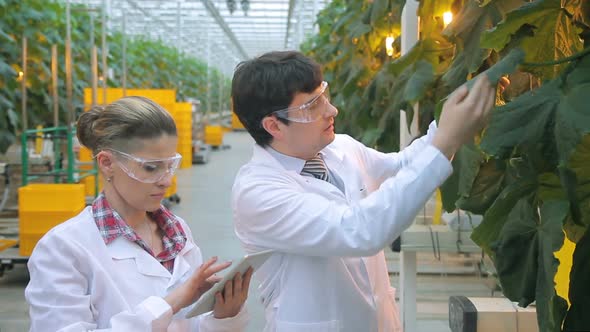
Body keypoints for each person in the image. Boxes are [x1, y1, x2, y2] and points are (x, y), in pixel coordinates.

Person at [230, 51, 502, 331]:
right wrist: (445, 142)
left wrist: (446, 125)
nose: (331, 110)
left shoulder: (340, 147)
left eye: (324, 95)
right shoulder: (257, 192)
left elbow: (402, 165)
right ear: (274, 125)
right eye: (312, 105)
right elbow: (358, 230)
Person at [25, 96, 252, 331]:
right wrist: (172, 302)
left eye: (169, 165)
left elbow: (188, 324)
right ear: (106, 163)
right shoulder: (64, 248)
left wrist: (224, 317)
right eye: (151, 167)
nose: (166, 181)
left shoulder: (177, 232)